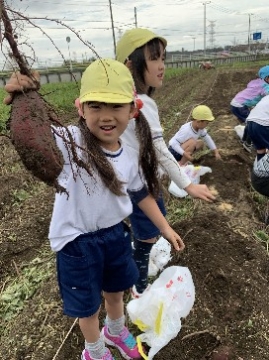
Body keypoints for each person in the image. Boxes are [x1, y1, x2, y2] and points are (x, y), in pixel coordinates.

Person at [4, 59, 185, 360]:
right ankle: (95, 350)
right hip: (77, 242)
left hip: (114, 235)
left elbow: (142, 194)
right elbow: (33, 138)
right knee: (88, 307)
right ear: (80, 108)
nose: (106, 116)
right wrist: (25, 98)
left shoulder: (128, 156)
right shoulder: (70, 142)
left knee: (116, 292)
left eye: (116, 107)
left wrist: (165, 227)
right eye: (96, 106)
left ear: (132, 110)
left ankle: (115, 331)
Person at [115, 28, 216, 298]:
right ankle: (138, 286)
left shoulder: (121, 101)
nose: (162, 66)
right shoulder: (141, 102)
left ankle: (135, 266)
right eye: (154, 58)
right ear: (130, 65)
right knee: (148, 234)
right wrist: (187, 184)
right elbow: (159, 149)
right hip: (142, 185)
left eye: (163, 58)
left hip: (132, 182)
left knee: (143, 228)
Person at [230, 65, 269, 153]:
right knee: (252, 122)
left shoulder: (258, 82)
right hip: (240, 106)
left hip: (237, 104)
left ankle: (244, 141)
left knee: (250, 123)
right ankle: (248, 143)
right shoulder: (265, 85)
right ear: (266, 78)